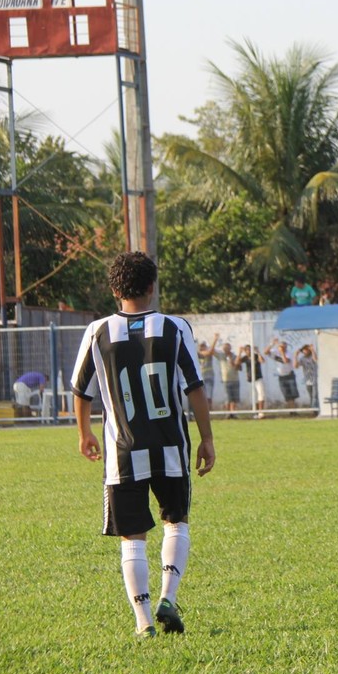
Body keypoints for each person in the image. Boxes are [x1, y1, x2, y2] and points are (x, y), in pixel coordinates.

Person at [70, 251, 215, 637]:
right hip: (170, 446)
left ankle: (144, 621)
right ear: (152, 287)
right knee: (176, 522)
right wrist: (207, 438)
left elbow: (81, 391)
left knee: (131, 537)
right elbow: (195, 387)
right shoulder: (174, 327)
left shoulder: (98, 331)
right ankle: (169, 596)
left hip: (122, 452)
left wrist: (84, 433)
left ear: (114, 290)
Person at [265, 338, 299, 409]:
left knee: (292, 395)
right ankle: (291, 410)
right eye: (281, 347)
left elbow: (285, 361)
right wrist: (272, 344)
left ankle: (293, 410)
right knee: (286, 394)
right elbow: (265, 352)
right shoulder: (275, 352)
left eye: (284, 347)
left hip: (289, 375)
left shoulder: (289, 353)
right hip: (281, 376)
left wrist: (282, 352)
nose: (283, 348)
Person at [236, 344, 266, 418]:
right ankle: (255, 412)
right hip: (250, 379)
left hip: (258, 378)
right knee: (253, 397)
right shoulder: (245, 358)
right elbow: (237, 363)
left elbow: (262, 361)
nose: (248, 351)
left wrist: (258, 352)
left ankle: (261, 412)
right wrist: (239, 353)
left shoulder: (255, 356)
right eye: (247, 350)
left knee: (261, 395)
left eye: (249, 350)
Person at [216, 341, 241, 418]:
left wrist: (232, 360)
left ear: (230, 348)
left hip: (235, 379)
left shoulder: (234, 356)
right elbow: (212, 351)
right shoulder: (221, 356)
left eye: (227, 348)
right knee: (228, 398)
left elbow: (239, 367)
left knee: (234, 398)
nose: (225, 350)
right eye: (224, 348)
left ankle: (233, 413)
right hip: (226, 380)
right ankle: (228, 413)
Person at [197, 333, 219, 410]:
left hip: (209, 376)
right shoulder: (198, 354)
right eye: (201, 346)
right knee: (202, 396)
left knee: (209, 396)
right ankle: (204, 410)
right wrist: (215, 340)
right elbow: (208, 352)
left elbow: (210, 352)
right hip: (201, 377)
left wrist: (214, 341)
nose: (202, 347)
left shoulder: (208, 353)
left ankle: (209, 410)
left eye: (203, 346)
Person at [295, 344, 318, 410]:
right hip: (307, 379)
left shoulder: (312, 356)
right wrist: (295, 356)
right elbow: (296, 366)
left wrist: (312, 350)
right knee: (311, 396)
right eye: (303, 351)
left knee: (315, 396)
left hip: (315, 378)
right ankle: (313, 409)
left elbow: (315, 359)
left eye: (306, 350)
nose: (304, 352)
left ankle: (314, 409)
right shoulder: (302, 358)